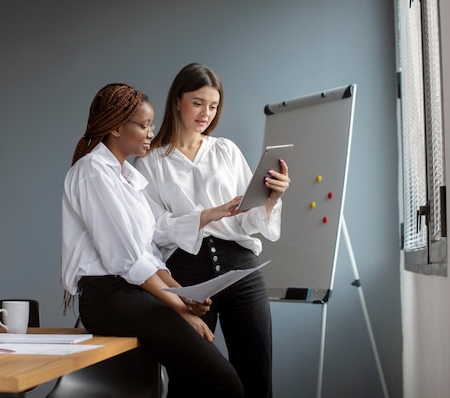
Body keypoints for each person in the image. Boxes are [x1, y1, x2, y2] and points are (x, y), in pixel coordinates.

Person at [61, 82, 243, 398]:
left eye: (152, 125)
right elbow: (128, 260)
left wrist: (182, 294)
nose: (150, 133)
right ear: (116, 128)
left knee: (207, 382)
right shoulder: (92, 172)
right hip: (107, 296)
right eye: (144, 125)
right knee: (225, 384)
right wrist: (179, 308)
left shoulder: (129, 179)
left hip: (131, 291)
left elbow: (148, 255)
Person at [134, 63, 290, 398]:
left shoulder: (226, 150)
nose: (206, 113)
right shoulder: (150, 163)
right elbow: (152, 231)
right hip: (186, 273)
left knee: (257, 374)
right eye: (198, 102)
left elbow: (245, 218)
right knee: (191, 380)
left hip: (242, 267)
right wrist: (205, 215)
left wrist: (271, 200)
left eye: (214, 105)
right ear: (177, 100)